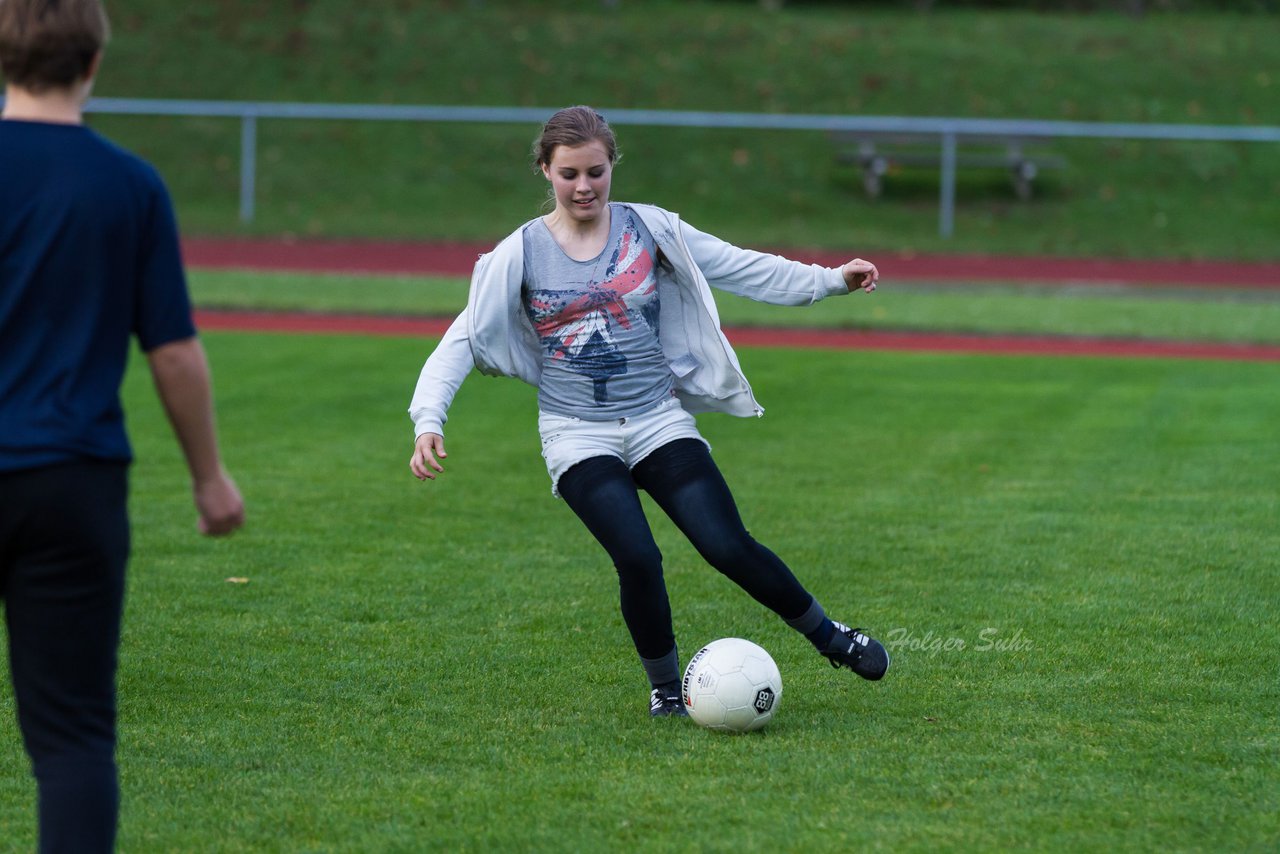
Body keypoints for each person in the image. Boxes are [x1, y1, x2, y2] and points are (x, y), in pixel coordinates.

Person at [408, 105, 887, 718]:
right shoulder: (519, 253)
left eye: (596, 172)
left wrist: (831, 280)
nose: (584, 187)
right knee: (637, 556)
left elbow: (741, 266)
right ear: (545, 172)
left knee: (726, 544)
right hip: (577, 435)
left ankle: (831, 637)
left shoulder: (651, 229)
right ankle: (666, 689)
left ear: (612, 168)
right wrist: (429, 419)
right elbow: (462, 340)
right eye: (569, 174)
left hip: (659, 421)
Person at [0, 1, 245, 850]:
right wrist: (209, 476)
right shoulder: (128, 183)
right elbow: (172, 353)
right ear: (94, 62)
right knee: (71, 740)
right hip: (73, 481)